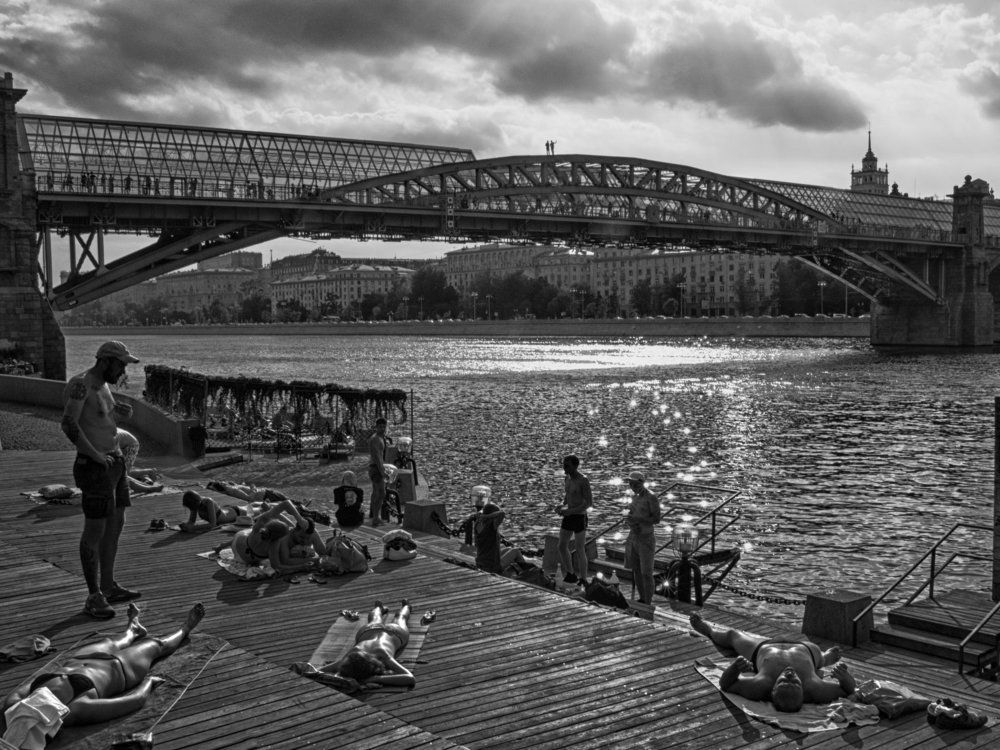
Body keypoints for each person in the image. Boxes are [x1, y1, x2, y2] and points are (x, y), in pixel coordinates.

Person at [2, 603, 204, 741]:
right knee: (155, 645)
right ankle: (185, 628)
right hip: (120, 668)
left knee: (113, 641)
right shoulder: (73, 712)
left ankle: (132, 629)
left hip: (80, 659)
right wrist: (148, 683)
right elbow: (131, 702)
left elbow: (16, 708)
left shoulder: (14, 703)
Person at [61, 340, 142, 619]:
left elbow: (99, 415)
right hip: (94, 467)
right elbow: (68, 423)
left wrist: (117, 411)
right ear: (106, 361)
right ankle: (93, 595)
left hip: (114, 462)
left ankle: (108, 586)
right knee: (94, 531)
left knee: (116, 524)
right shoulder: (81, 384)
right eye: (120, 364)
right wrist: (95, 455)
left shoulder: (104, 386)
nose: (122, 371)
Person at [689, 612, 853, 712]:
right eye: (795, 682)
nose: (789, 674)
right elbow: (849, 689)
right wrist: (844, 676)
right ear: (804, 691)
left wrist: (735, 667)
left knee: (732, 635)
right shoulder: (815, 689)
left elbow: (725, 684)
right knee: (820, 659)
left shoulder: (760, 686)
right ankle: (826, 657)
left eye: (783, 680)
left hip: (763, 649)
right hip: (807, 651)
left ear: (772, 688)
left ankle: (708, 630)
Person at [292, 600, 415, 693]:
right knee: (400, 618)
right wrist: (376, 678)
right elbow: (409, 678)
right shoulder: (380, 655)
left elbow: (410, 678)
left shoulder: (365, 653)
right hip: (380, 632)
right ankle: (404, 606)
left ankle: (380, 608)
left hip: (389, 633)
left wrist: (375, 678)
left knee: (380, 618)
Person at [231, 494, 311, 567]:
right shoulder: (274, 545)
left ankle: (269, 510)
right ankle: (269, 510)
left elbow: (286, 503)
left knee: (251, 531)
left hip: (238, 540)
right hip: (242, 560)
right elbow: (278, 566)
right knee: (289, 528)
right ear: (278, 538)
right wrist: (303, 566)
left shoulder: (261, 524)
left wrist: (299, 519)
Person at [624, 471, 661, 604]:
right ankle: (642, 598)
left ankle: (648, 601)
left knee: (646, 572)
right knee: (636, 571)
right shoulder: (634, 497)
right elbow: (631, 515)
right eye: (630, 483)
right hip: (634, 536)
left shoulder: (651, 497)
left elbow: (657, 519)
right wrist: (630, 521)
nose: (632, 486)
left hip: (646, 538)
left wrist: (639, 518)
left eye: (634, 483)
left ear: (641, 482)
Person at [557, 454, 592, 586]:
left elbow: (588, 503)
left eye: (567, 466)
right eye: (563, 465)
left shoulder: (583, 480)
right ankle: (571, 574)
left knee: (579, 548)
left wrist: (569, 511)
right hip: (568, 515)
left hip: (579, 517)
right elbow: (568, 495)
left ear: (575, 466)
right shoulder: (567, 478)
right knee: (561, 545)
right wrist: (562, 505)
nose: (564, 468)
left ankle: (583, 578)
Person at [474, 502, 526, 574]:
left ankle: (516, 571)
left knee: (508, 549)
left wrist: (483, 516)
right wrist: (487, 516)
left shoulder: (478, 523)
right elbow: (502, 513)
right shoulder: (491, 526)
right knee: (516, 551)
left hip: (480, 563)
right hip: (491, 567)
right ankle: (526, 572)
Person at [115, 428, 163, 494]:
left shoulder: (105, 434)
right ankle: (144, 477)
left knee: (123, 472)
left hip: (131, 445)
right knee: (121, 471)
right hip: (122, 444)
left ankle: (149, 472)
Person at [179, 490, 246, 532]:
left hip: (237, 512)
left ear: (195, 502)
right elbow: (192, 521)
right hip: (227, 510)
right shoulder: (195, 505)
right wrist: (185, 526)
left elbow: (213, 524)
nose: (191, 509)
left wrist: (193, 528)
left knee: (254, 510)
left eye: (191, 507)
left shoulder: (208, 502)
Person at [368, 418, 389, 526]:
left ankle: (373, 515)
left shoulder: (381, 437)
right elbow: (377, 457)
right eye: (380, 427)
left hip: (375, 467)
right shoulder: (375, 439)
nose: (382, 428)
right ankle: (376, 517)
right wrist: (382, 471)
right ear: (376, 427)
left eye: (384, 426)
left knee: (376, 492)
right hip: (375, 468)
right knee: (381, 493)